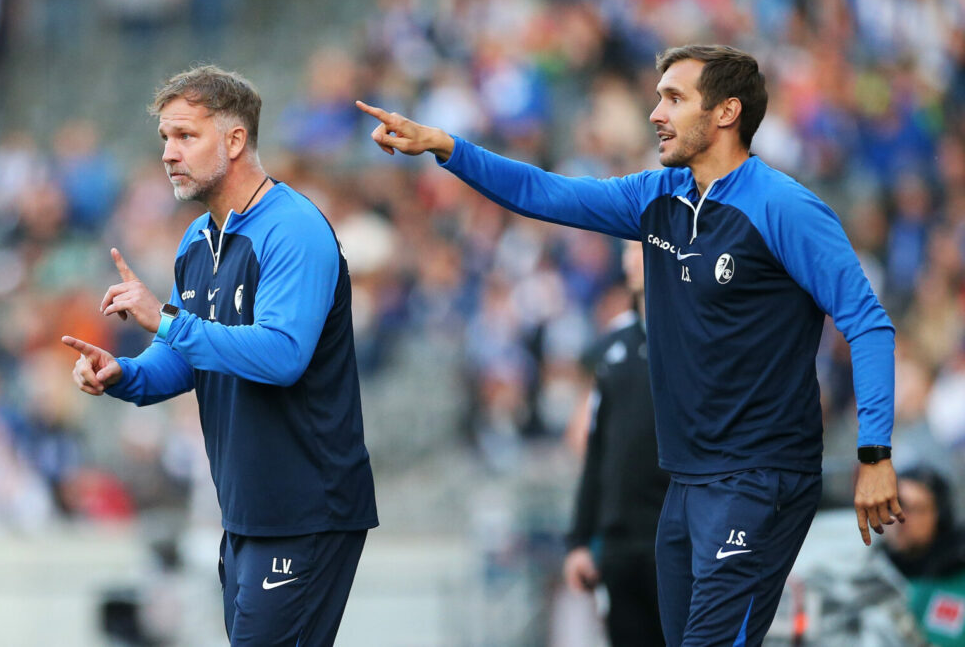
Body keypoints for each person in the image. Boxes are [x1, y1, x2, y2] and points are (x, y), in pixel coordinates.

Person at [357, 44, 904, 645]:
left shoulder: (785, 207)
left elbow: (867, 321)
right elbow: (545, 193)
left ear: (726, 112)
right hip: (687, 479)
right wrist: (446, 148)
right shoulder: (657, 196)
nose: (655, 113)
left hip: (760, 477)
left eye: (673, 98)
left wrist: (874, 454)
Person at [62, 65, 378, 646]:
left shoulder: (293, 229)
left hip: (306, 509)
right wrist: (123, 374)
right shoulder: (197, 240)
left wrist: (168, 320)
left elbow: (283, 356)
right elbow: (180, 359)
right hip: (246, 512)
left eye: (186, 136)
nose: (168, 153)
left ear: (234, 141)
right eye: (165, 138)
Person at [563, 241, 669, 646]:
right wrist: (579, 540)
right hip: (620, 543)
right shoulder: (611, 348)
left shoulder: (696, 339)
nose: (629, 258)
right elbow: (597, 450)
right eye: (626, 250)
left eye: (638, 248)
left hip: (677, 538)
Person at [883, 466, 965, 645]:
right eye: (892, 507)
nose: (899, 519)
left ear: (940, 516)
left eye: (912, 509)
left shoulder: (957, 578)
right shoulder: (869, 574)